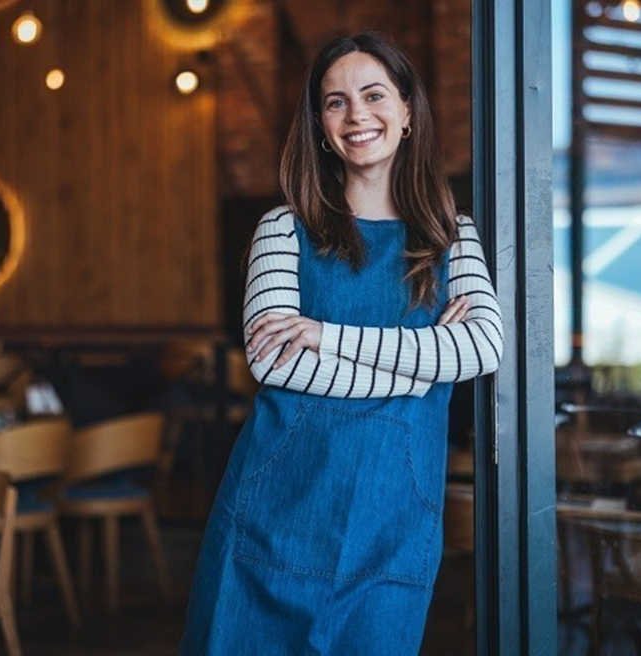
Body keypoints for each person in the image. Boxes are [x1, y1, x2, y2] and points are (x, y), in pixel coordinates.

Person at [180, 33, 503, 655]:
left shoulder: (452, 236)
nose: (357, 115)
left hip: (394, 524)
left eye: (374, 95)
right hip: (276, 512)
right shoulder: (282, 228)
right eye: (336, 102)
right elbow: (276, 363)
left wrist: (326, 336)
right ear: (322, 128)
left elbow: (483, 349)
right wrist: (427, 363)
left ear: (407, 111)